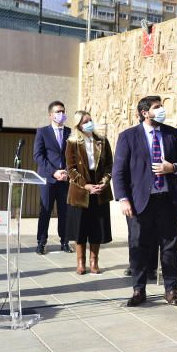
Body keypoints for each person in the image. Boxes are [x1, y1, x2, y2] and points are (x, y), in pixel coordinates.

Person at [112, 96, 177, 307]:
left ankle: (171, 289)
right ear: (145, 112)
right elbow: (118, 171)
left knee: (169, 246)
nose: (162, 110)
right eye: (157, 107)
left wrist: (172, 168)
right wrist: (123, 198)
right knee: (138, 245)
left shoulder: (171, 133)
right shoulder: (128, 136)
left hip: (167, 199)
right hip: (139, 202)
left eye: (161, 106)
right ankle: (139, 290)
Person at [65, 110, 113, 274]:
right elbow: (70, 168)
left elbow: (109, 166)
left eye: (90, 120)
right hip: (80, 190)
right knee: (81, 228)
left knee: (96, 227)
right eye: (85, 121)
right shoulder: (72, 142)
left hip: (99, 188)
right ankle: (80, 262)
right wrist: (85, 186)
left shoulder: (102, 141)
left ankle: (94, 261)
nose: (89, 123)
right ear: (78, 125)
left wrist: (103, 183)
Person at [33, 100, 71, 255]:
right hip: (48, 179)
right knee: (46, 210)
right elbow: (38, 156)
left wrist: (67, 171)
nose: (61, 114)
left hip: (65, 179)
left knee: (65, 211)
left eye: (62, 111)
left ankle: (65, 241)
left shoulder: (70, 132)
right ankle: (41, 242)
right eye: (57, 112)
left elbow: (73, 155)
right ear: (50, 115)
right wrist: (54, 172)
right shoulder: (42, 132)